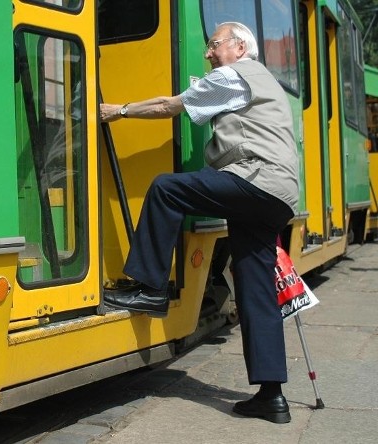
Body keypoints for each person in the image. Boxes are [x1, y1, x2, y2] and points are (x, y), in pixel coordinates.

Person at [100, 22, 299, 424]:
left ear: (239, 47)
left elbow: (167, 106)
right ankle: (272, 396)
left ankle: (149, 288)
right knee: (255, 285)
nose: (208, 53)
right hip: (280, 195)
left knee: (166, 189)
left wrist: (117, 111)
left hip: (254, 180)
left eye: (214, 45)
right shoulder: (267, 83)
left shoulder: (234, 75)